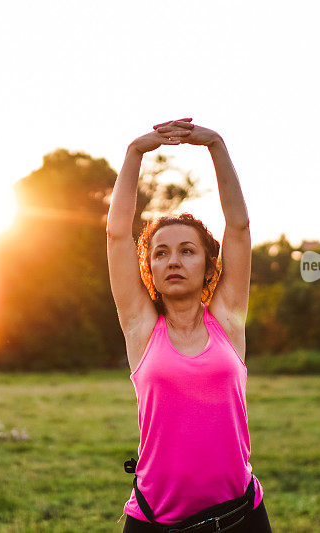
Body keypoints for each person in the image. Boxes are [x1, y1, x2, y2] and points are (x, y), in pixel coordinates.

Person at [106, 118, 273, 532]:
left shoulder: (229, 320)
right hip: (155, 521)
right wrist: (134, 153)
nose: (174, 261)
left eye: (187, 251)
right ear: (150, 269)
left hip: (240, 518)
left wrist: (215, 144)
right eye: (160, 253)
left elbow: (239, 227)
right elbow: (115, 235)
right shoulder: (141, 329)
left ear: (208, 264)